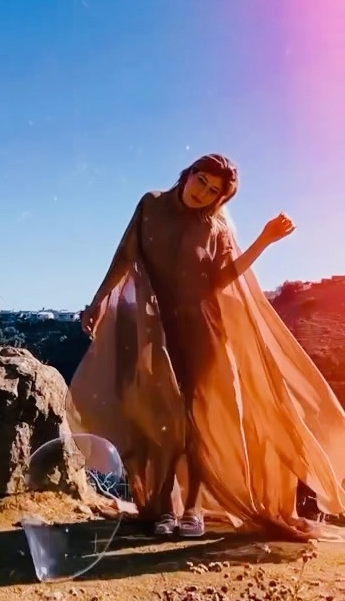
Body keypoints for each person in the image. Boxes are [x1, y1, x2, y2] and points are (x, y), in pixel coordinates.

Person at [67, 154, 345, 541]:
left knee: (195, 421)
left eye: (215, 191)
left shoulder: (214, 227)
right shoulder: (151, 204)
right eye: (202, 181)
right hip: (153, 330)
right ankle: (165, 505)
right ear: (189, 173)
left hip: (201, 332)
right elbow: (125, 255)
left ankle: (192, 508)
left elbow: (223, 278)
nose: (204, 193)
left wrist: (264, 240)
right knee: (161, 420)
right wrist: (99, 300)